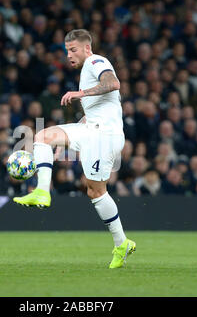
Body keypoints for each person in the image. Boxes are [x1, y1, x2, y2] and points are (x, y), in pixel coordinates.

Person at [13, 29, 136, 269]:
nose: (69, 55)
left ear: (86, 48)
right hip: (92, 130)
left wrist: (81, 93)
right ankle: (42, 191)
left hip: (104, 137)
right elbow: (93, 113)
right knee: (44, 137)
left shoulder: (95, 61)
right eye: (66, 50)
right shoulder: (86, 70)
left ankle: (121, 242)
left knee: (97, 192)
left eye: (73, 50)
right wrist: (65, 142)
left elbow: (113, 83)